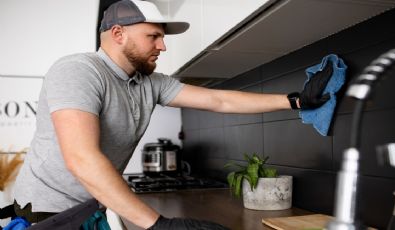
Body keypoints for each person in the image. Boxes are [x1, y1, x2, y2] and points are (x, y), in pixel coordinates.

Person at [12, 0, 333, 229]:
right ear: (118, 33)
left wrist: (295, 101)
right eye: (153, 36)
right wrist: (158, 224)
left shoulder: (149, 83)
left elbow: (219, 101)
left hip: (92, 209)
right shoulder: (78, 71)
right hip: (47, 217)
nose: (162, 46)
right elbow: (81, 159)